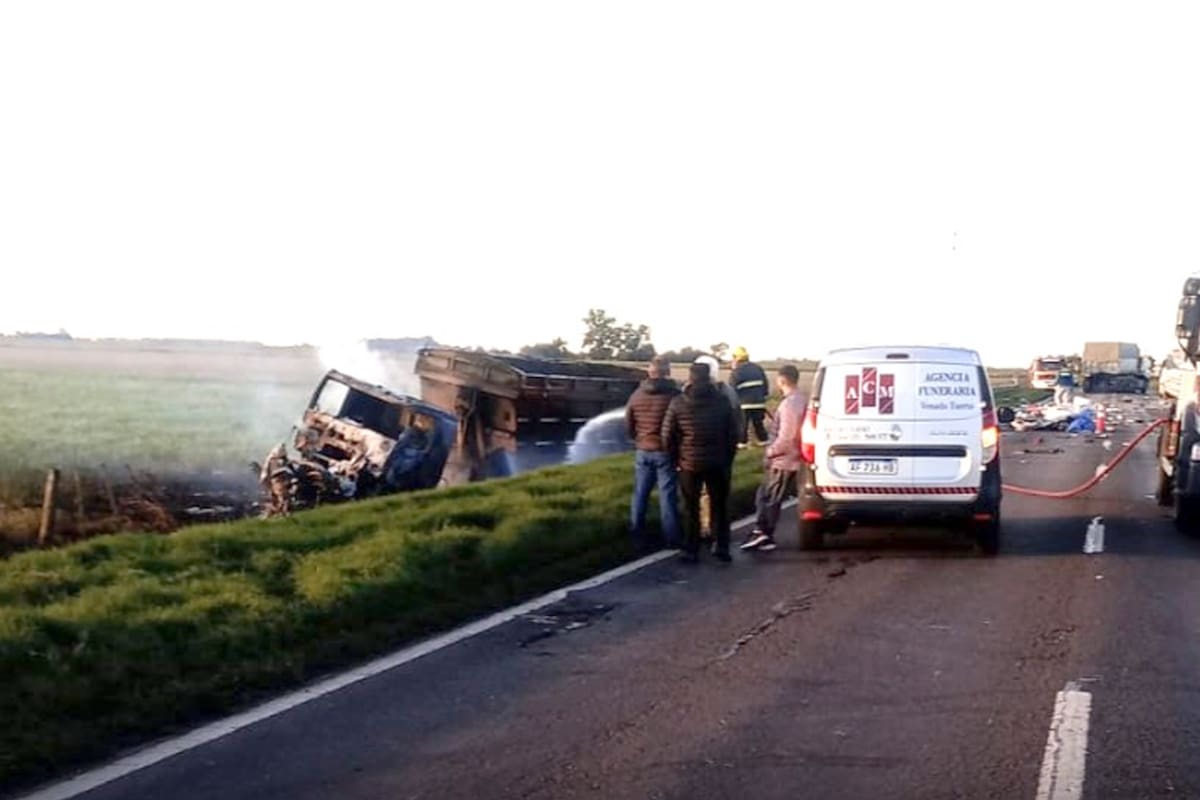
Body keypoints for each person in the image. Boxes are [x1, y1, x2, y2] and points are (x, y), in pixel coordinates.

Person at [662, 361, 739, 562]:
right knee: (720, 506)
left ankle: (691, 548)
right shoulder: (722, 401)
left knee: (690, 507)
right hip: (718, 462)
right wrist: (728, 458)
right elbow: (733, 433)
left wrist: (675, 459)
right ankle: (721, 546)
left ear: (690, 377)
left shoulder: (678, 402)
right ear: (710, 377)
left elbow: (667, 435)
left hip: (688, 463)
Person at [742, 364, 807, 552]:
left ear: (781, 380)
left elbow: (787, 437)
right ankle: (762, 532)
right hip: (792, 458)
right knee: (766, 495)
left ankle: (763, 533)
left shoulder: (789, 405)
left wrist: (770, 452)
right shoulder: (801, 400)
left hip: (784, 460)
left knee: (768, 497)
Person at [624, 355, 682, 550]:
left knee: (640, 493)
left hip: (643, 449)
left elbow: (629, 422)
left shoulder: (637, 394)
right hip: (665, 451)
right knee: (667, 495)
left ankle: (636, 536)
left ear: (650, 371)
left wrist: (638, 439)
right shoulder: (675, 395)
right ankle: (672, 539)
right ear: (667, 372)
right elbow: (680, 424)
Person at [693, 354, 743, 543]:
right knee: (719, 494)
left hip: (694, 454)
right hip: (721, 454)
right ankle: (719, 532)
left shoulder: (687, 391)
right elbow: (736, 422)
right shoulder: (727, 392)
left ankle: (702, 530)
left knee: (699, 495)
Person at [730, 346, 769, 446]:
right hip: (759, 403)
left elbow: (732, 389)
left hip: (744, 404)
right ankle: (763, 440)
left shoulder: (736, 371)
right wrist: (763, 397)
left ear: (737, 359)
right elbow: (765, 385)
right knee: (758, 423)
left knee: (742, 425)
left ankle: (742, 442)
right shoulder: (758, 368)